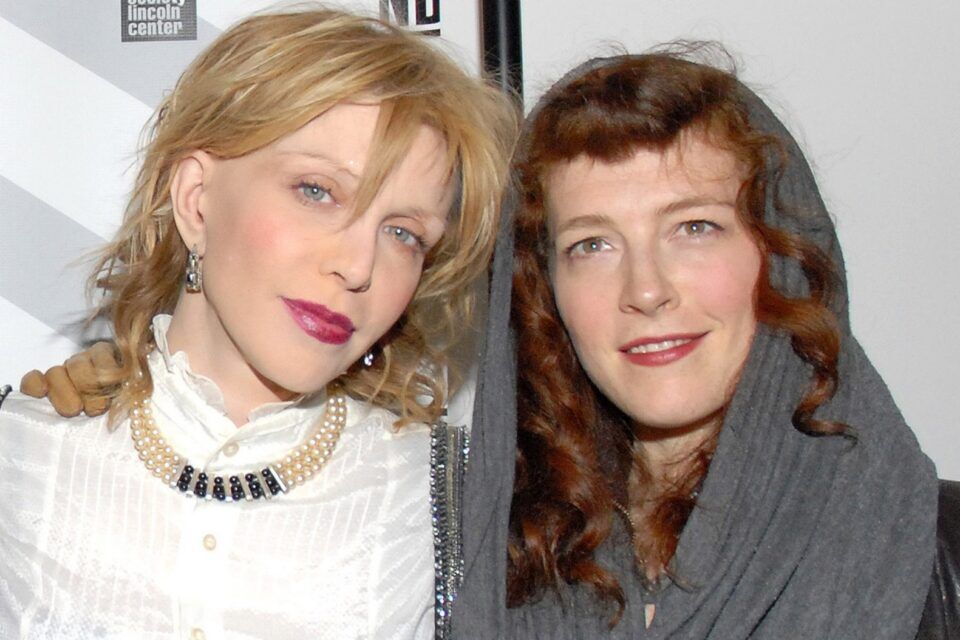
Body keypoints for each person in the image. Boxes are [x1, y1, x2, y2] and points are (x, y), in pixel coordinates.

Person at [0, 6, 516, 639]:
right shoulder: (21, 456)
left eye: (403, 233)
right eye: (317, 191)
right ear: (196, 200)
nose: (359, 266)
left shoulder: (454, 505)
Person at [453, 52, 938, 638]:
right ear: (543, 293)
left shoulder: (934, 557)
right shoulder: (481, 561)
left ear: (780, 256)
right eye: (593, 245)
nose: (646, 290)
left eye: (693, 228)